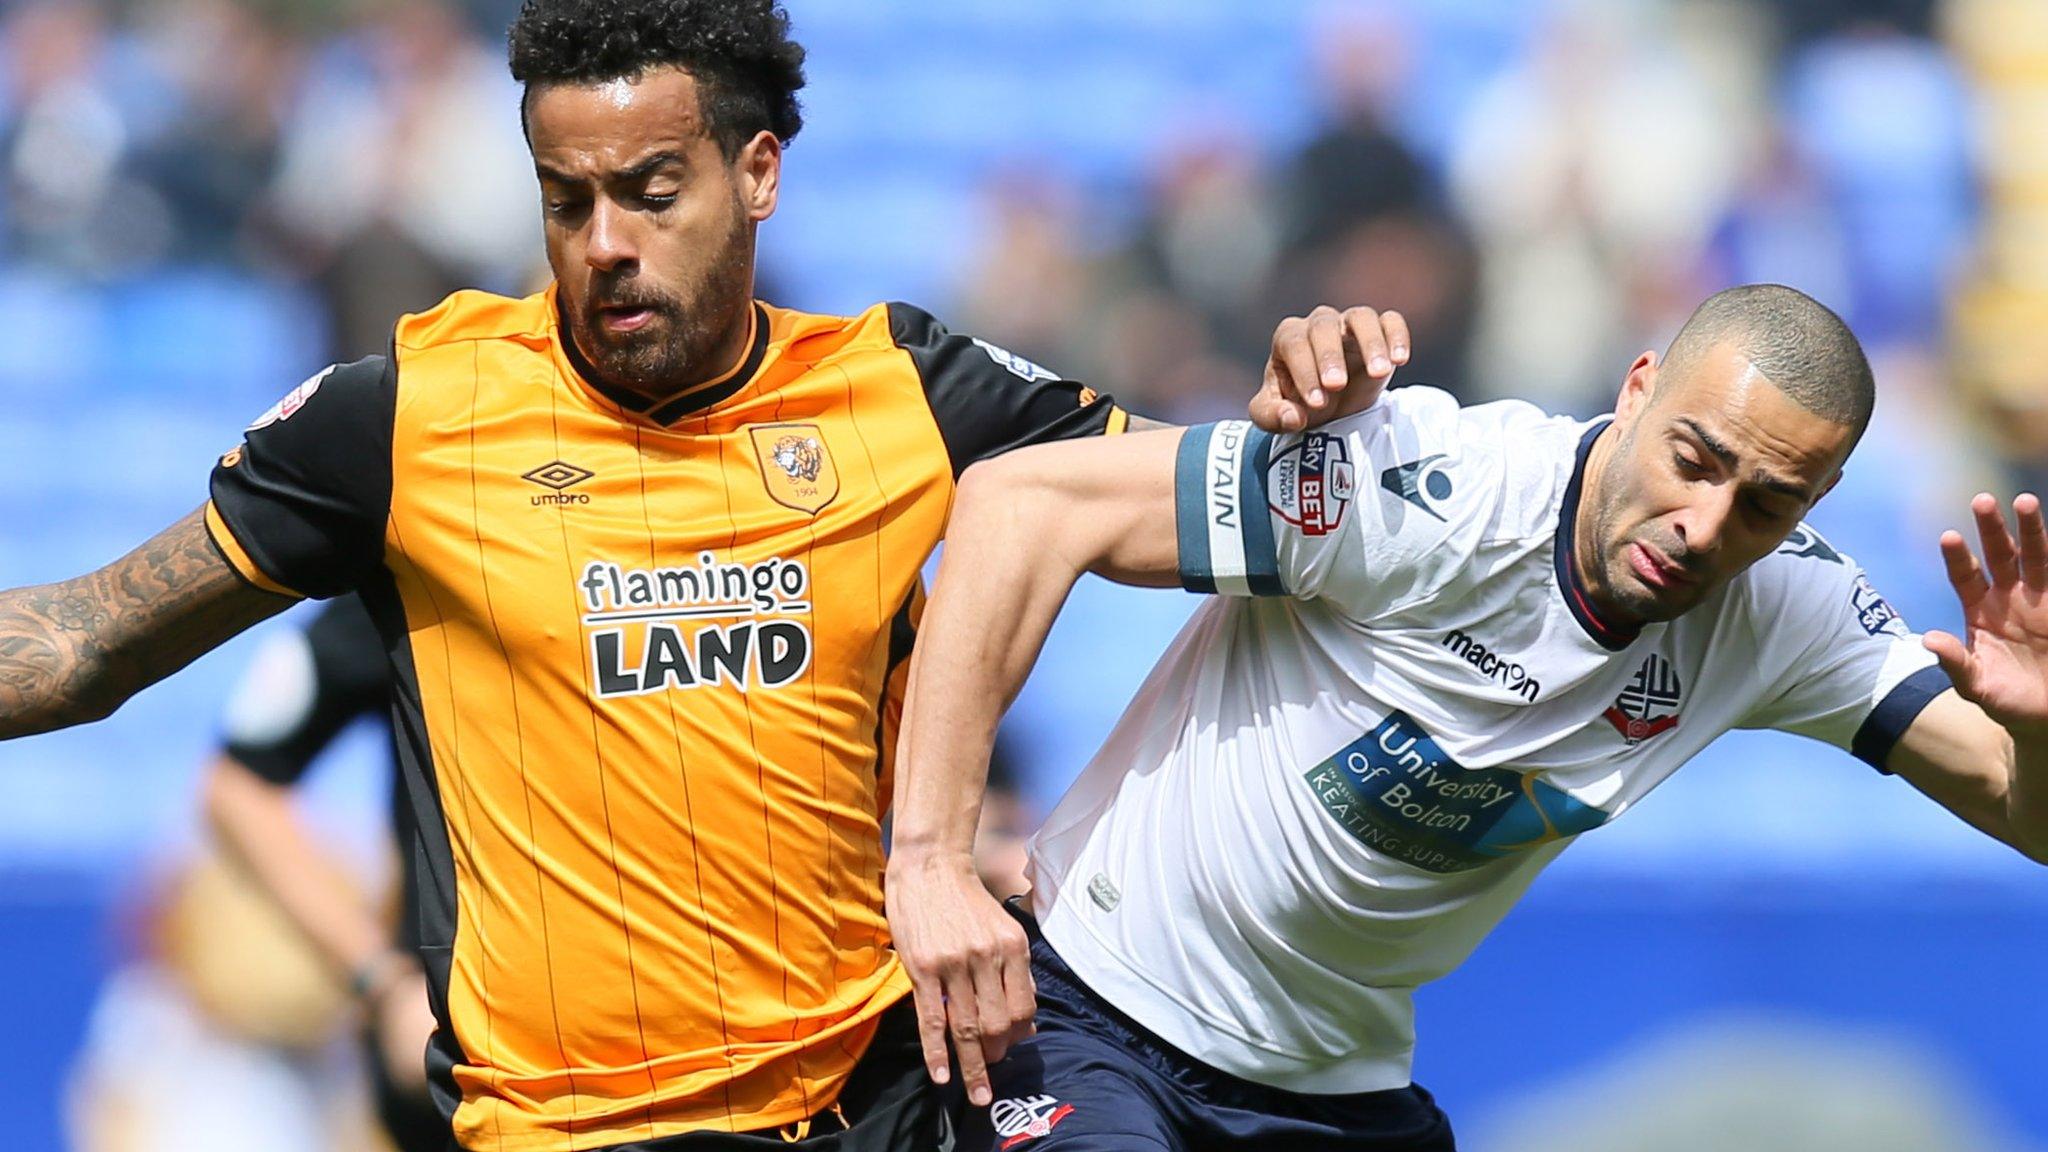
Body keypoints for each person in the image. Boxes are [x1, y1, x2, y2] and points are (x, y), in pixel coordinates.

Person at [0, 0, 1401, 1147]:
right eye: (567, 201)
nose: (604, 244)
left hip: (886, 1099)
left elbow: (1245, 514)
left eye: (651, 192)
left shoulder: (905, 392)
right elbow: (79, 645)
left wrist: (1300, 401)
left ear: (758, 173)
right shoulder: (405, 420)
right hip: (575, 1130)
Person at [887, 283, 2048, 1151]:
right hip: (1093, 1010)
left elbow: (2020, 807)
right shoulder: (1425, 486)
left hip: (1337, 1090)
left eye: (1765, 504)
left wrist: (2037, 729)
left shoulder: (1780, 605)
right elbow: (1018, 503)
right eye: (1692, 460)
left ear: (1817, 500)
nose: (1705, 524)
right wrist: (933, 857)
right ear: (1636, 388)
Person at [201, 594, 444, 1152]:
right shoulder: (424, 569)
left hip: (671, 1054)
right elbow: (237, 786)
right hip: (468, 1068)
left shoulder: (681, 544)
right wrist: (385, 986)